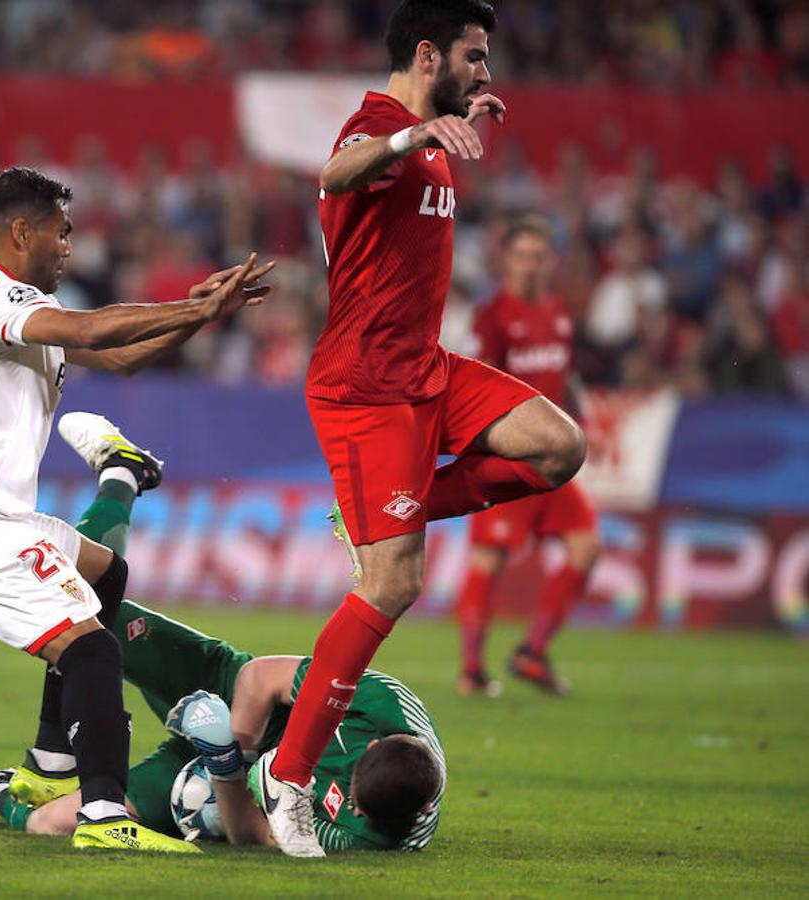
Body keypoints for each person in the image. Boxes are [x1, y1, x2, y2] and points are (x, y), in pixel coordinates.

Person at [268, 0, 587, 856]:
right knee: (392, 584)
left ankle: (373, 520)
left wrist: (448, 127)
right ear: (426, 53)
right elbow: (336, 176)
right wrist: (419, 136)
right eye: (473, 57)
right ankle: (287, 779)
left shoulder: (433, 141)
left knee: (560, 447)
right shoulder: (376, 128)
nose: (485, 71)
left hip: (427, 370)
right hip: (366, 388)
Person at [0, 166, 272, 853]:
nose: (70, 246)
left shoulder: (5, 305)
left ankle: (49, 765)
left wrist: (198, 315)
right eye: (62, 232)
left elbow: (119, 358)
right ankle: (103, 816)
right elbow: (93, 331)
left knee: (103, 577)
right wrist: (193, 310)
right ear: (21, 231)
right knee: (91, 648)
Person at [0, 414, 446, 853]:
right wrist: (238, 738)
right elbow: (260, 679)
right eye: (352, 793)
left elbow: (249, 836)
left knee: (51, 824)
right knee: (87, 600)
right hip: (233, 691)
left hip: (228, 768)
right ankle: (122, 472)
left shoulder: (371, 835)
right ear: (372, 745)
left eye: (353, 807)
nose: (349, 804)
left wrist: (223, 763)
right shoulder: (380, 704)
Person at [455, 217, 601, 697]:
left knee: (585, 548)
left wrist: (580, 423)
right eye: (522, 256)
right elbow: (479, 384)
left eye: (539, 256)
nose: (530, 265)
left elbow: (564, 376)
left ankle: (532, 652)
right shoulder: (493, 316)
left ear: (551, 261)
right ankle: (472, 671)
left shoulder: (559, 312)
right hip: (514, 455)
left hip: (554, 459)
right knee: (488, 559)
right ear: (506, 260)